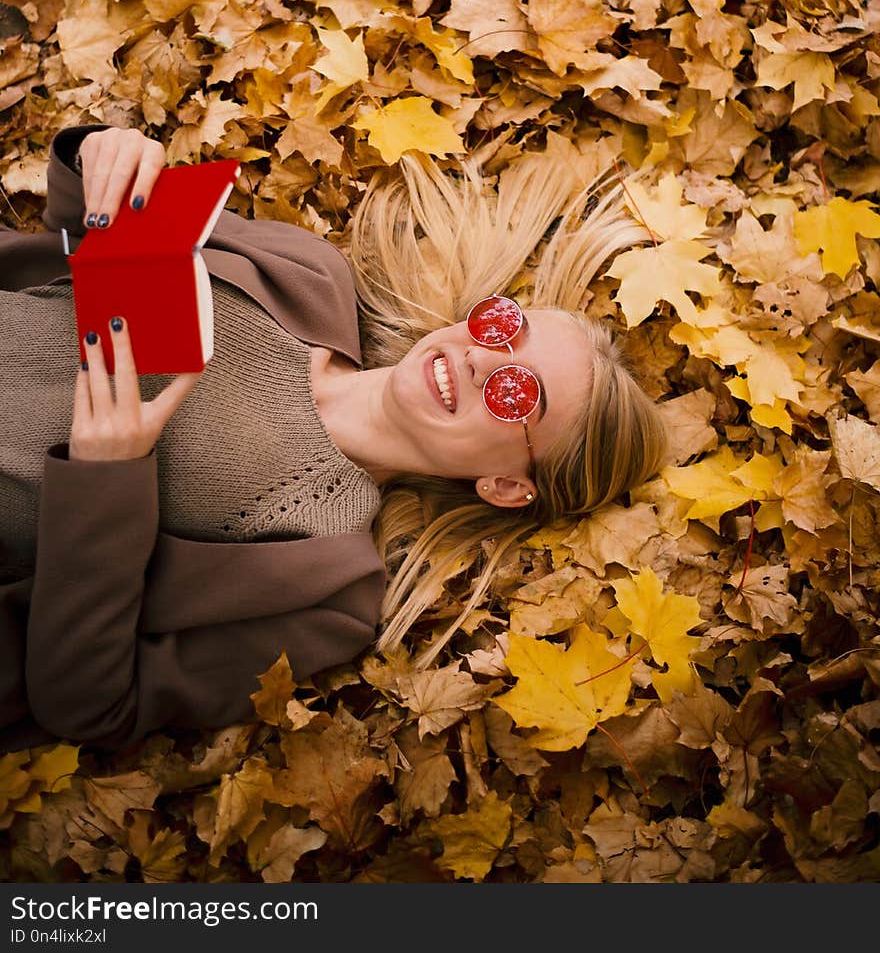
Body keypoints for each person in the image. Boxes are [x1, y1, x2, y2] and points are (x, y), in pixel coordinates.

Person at [0, 121, 669, 753]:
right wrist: (100, 162)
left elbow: (91, 703)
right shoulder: (306, 273)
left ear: (505, 486)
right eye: (501, 327)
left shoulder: (328, 587)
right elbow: (78, 247)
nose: (480, 357)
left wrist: (104, 479)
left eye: (517, 392)